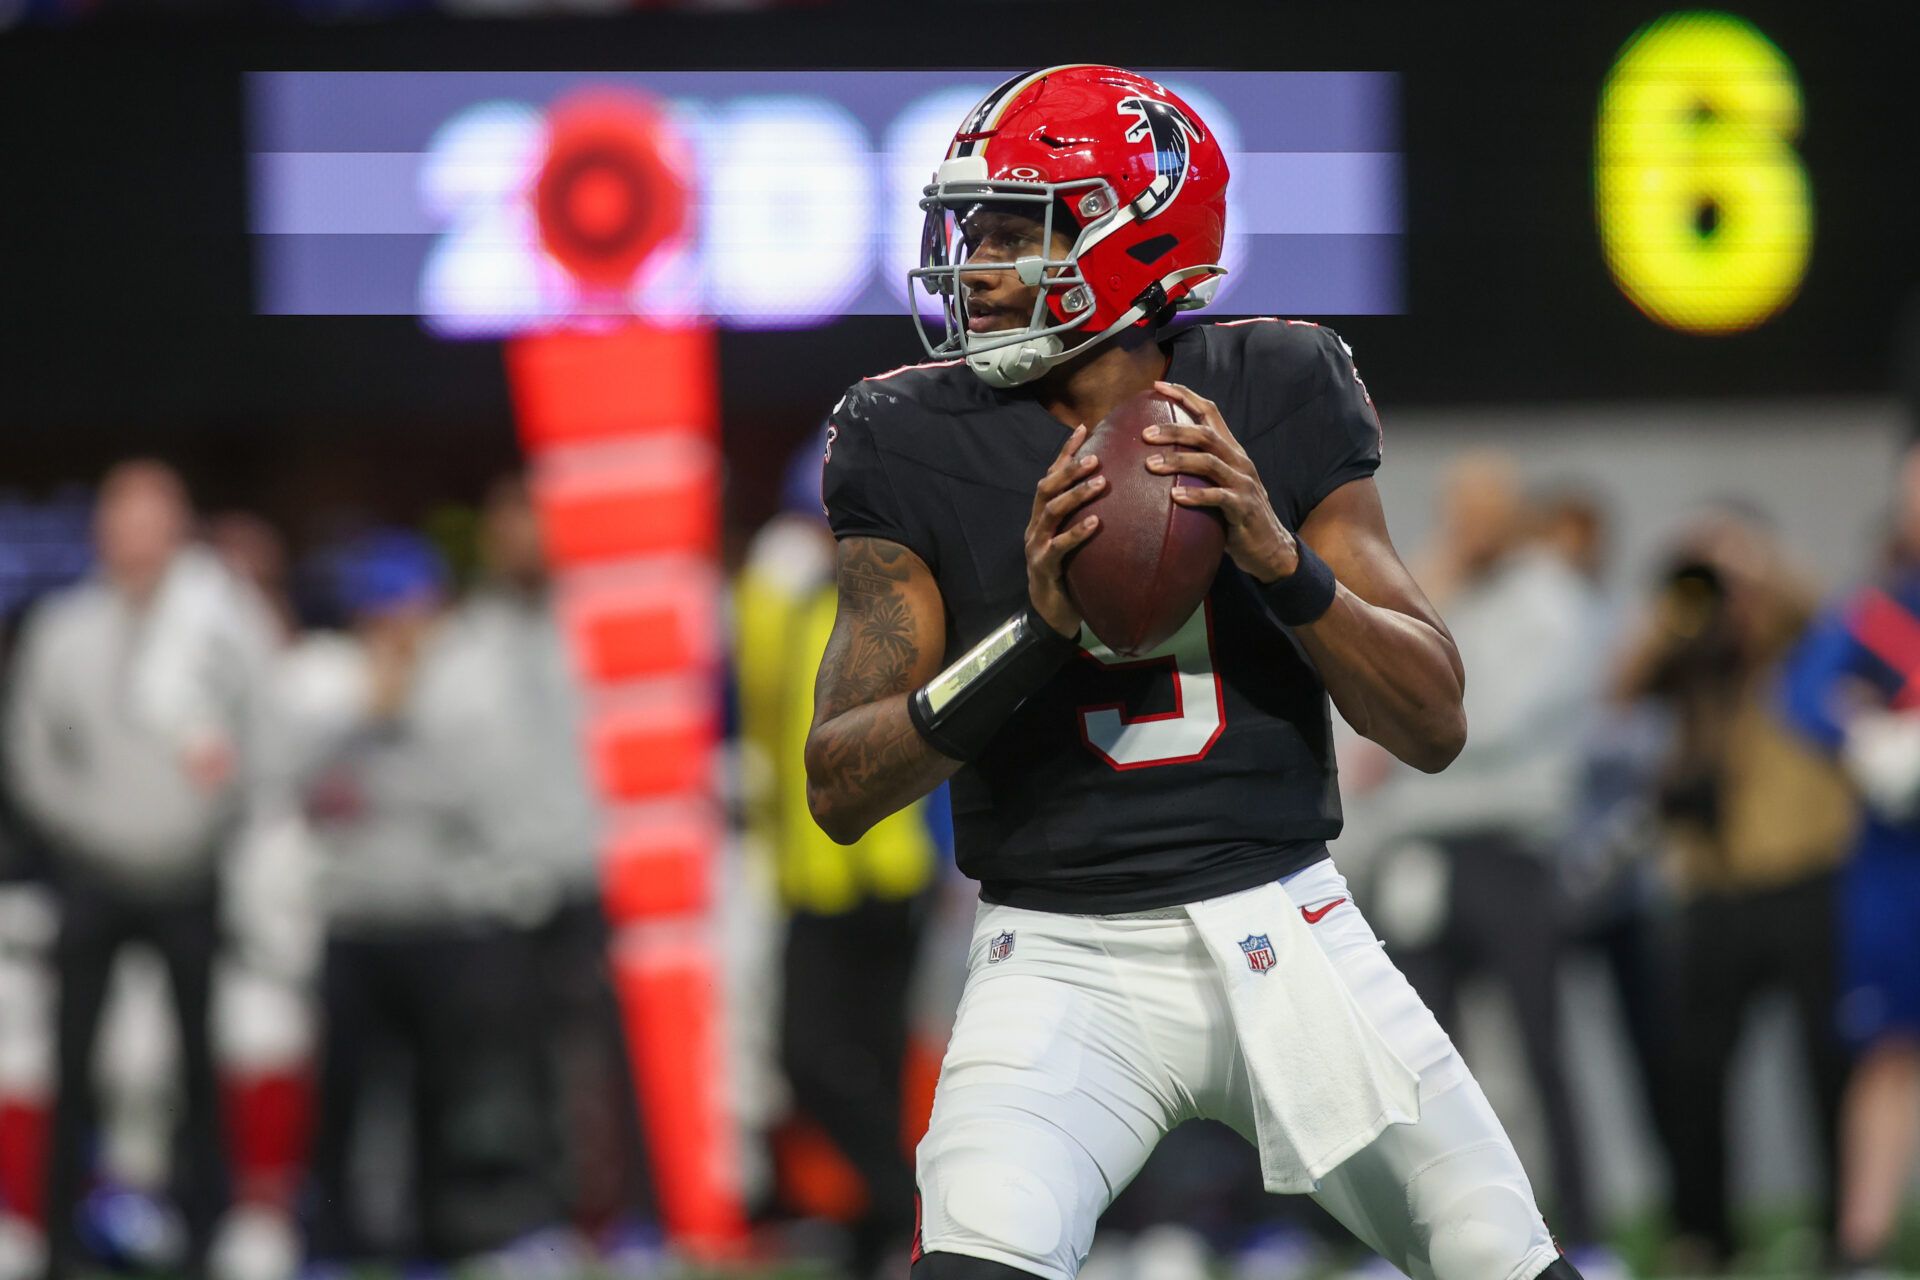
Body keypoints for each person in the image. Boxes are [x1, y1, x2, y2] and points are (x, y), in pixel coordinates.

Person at [804, 66, 1582, 1280]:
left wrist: (1278, 558)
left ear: (1137, 236)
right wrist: (1035, 630)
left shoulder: (1277, 383)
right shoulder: (908, 432)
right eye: (976, 224)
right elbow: (839, 781)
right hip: (1054, 954)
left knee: (1502, 1259)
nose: (979, 257)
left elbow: (1433, 718)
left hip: (1286, 920)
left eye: (1022, 224)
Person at [5, 461, 279, 1279]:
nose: (137, 538)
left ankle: (207, 1235)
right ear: (102, 531)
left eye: (155, 520)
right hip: (89, 875)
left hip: (190, 873)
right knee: (72, 1062)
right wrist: (95, 833)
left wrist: (203, 826)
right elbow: (30, 755)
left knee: (201, 1063)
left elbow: (262, 732)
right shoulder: (65, 627)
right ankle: (59, 1241)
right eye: (123, 520)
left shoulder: (219, 623)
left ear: (179, 530)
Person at [291, 530, 557, 1269]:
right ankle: (333, 1241)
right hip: (357, 916)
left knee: (447, 1097)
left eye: (401, 609)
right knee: (343, 1095)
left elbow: (477, 794)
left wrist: (389, 740)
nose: (391, 627)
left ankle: (441, 1238)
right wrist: (363, 719)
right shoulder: (330, 677)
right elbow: (302, 786)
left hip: (443, 919)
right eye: (376, 612)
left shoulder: (473, 675)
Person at [1367, 455, 1600, 1254]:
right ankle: (1430, 1239)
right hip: (1424, 849)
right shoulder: (1437, 582)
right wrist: (1435, 577)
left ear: (1512, 513)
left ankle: (1583, 1231)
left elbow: (1476, 719)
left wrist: (1408, 712)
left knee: (1542, 1049)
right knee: (1421, 1060)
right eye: (1455, 511)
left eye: (1481, 511)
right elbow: (1368, 670)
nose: (1468, 527)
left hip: (1510, 849)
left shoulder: (1552, 597)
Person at [1613, 508, 1854, 1271]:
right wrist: (1686, 594)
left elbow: (1810, 611)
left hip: (1806, 870)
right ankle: (1706, 1232)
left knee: (1828, 1064)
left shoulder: (1798, 634)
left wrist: (1751, 566)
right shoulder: (1688, 647)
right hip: (1710, 884)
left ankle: (1844, 1230)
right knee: (1692, 1068)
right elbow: (1620, 685)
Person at [737, 443, 940, 1277]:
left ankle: (887, 1218)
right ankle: (892, 1213)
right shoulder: (783, 590)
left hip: (881, 865)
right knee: (813, 1058)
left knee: (857, 1059)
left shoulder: (881, 587)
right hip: (816, 868)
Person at [1780, 445, 1920, 1273]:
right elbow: (1802, 693)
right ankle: (1863, 1247)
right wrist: (1870, 737)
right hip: (1897, 868)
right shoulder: (1877, 611)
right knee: (1888, 1050)